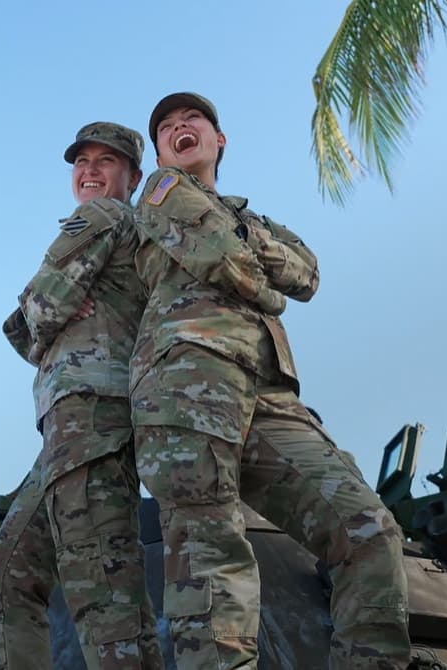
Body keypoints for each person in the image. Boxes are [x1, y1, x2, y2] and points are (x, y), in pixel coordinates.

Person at [130, 92, 411, 670]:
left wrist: (248, 243)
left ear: (220, 140)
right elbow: (221, 260)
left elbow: (308, 272)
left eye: (193, 121)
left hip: (269, 393)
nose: (180, 128)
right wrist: (265, 287)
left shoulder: (249, 216)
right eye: (166, 128)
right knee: (212, 568)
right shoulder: (159, 193)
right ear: (159, 152)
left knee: (369, 531)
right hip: (189, 382)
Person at [0, 121, 164, 670]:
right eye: (81, 162)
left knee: (106, 602)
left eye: (105, 162)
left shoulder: (103, 216)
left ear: (132, 175)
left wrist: (35, 315)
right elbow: (41, 314)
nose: (89, 171)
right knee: (5, 581)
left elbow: (35, 316)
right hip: (73, 426)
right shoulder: (130, 229)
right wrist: (39, 314)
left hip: (93, 417)